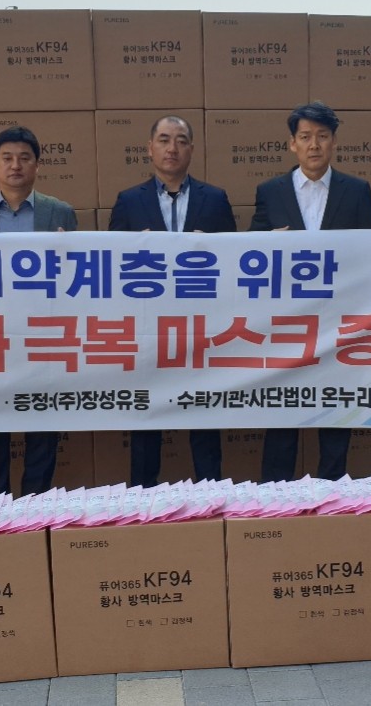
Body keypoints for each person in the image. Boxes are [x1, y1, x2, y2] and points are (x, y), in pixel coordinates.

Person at [249, 101, 371, 482]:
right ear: (292, 144)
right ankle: (275, 494)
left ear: (334, 142)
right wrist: (267, 244)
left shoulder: (356, 191)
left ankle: (332, 490)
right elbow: (249, 253)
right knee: (282, 413)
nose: (314, 145)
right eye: (305, 137)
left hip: (340, 320)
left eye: (322, 136)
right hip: (286, 323)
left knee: (336, 412)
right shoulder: (270, 191)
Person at [109, 114, 237, 487]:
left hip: (202, 329)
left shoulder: (215, 199)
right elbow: (113, 267)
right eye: (164, 140)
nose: (172, 148)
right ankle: (142, 497)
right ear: (150, 149)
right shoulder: (129, 201)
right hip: (148, 330)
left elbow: (232, 264)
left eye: (181, 141)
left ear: (192, 150)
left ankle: (211, 494)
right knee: (147, 419)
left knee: (204, 417)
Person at [0, 126, 77, 500]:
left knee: (42, 426)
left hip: (43, 335)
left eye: (24, 158)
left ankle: (36, 506)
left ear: (37, 165)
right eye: (7, 158)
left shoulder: (60, 213)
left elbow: (78, 279)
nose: (15, 165)